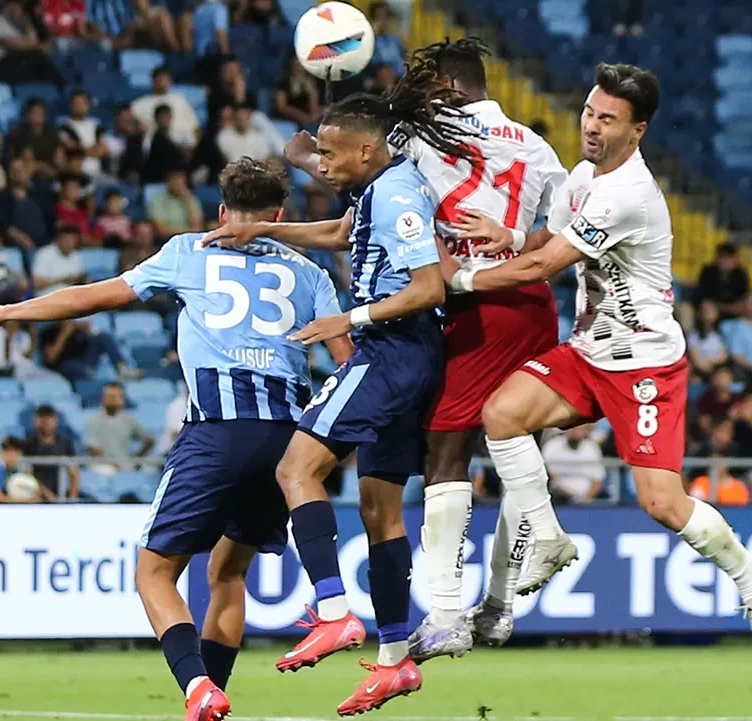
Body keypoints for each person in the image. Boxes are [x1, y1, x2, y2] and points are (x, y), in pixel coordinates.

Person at [0, 158, 352, 721]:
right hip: (289, 444)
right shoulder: (311, 275)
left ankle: (197, 687)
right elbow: (345, 362)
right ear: (278, 216)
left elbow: (94, 296)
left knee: (154, 573)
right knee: (228, 572)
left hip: (216, 432)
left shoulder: (189, 251)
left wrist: (10, 311)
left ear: (221, 213)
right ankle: (215, 693)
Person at [437, 63, 752, 663]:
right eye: (589, 113)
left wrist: (458, 277)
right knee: (502, 415)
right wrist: (513, 236)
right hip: (588, 351)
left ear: (638, 130)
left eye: (608, 119)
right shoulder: (582, 175)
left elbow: (546, 270)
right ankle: (545, 541)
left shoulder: (628, 194)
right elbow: (549, 244)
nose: (592, 127)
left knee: (663, 503)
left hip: (644, 364)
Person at [285, 38, 567, 660]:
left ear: (443, 87)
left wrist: (311, 152)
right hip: (532, 305)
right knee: (517, 455)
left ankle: (446, 613)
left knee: (447, 450)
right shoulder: (538, 147)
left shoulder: (421, 137)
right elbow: (561, 229)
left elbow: (356, 168)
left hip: (468, 309)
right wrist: (514, 241)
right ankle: (496, 606)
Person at [201, 61, 470, 711]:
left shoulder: (400, 194)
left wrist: (345, 319)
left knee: (298, 467)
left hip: (392, 351)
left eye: (329, 151)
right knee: (380, 510)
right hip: (406, 357)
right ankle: (395, 657)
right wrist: (261, 229)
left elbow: (428, 287)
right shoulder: (377, 191)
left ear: (367, 149)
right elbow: (337, 234)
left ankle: (333, 609)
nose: (321, 162)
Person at [84, 381, 156, 473]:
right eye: (108, 396)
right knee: (105, 470)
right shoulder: (93, 421)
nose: (111, 399)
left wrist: (136, 458)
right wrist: (114, 465)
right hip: (103, 465)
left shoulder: (129, 420)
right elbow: (95, 451)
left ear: (122, 399)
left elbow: (150, 440)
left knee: (150, 470)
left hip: (125, 464)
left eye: (115, 397)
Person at [131, 67, 200, 150]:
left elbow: (195, 127)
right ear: (153, 80)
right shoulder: (139, 105)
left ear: (170, 80)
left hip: (184, 144)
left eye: (165, 78)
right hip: (156, 147)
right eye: (159, 78)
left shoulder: (181, 100)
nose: (162, 81)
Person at [23, 404, 81, 499]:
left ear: (55, 420)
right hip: (37, 496)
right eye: (42, 418)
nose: (46, 422)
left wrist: (72, 498)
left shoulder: (65, 444)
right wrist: (47, 494)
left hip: (62, 493)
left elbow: (74, 473)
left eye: (49, 418)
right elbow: (29, 475)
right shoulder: (29, 444)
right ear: (36, 420)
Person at [542, 423, 606, 504]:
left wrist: (585, 499)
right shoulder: (552, 446)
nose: (577, 432)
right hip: (559, 497)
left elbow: (598, 479)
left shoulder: (592, 447)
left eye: (581, 429)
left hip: (588, 499)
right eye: (574, 429)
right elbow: (554, 478)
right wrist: (574, 498)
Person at [693, 243, 750, 317]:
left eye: (728, 258)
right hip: (713, 307)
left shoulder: (740, 274)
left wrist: (735, 306)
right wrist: (724, 307)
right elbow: (703, 296)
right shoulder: (708, 272)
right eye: (722, 257)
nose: (725, 261)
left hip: (734, 308)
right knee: (708, 308)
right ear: (716, 258)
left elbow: (744, 294)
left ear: (735, 259)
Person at [33, 226, 88, 295]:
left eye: (72, 241)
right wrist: (63, 280)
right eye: (67, 240)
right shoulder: (44, 254)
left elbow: (81, 279)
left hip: (71, 298)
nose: (69, 244)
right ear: (58, 239)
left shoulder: (76, 256)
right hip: (47, 297)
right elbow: (37, 284)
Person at [148, 168, 203, 237]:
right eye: (175, 180)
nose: (179, 183)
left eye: (182, 180)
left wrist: (188, 200)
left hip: (189, 238)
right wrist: (189, 232)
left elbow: (197, 227)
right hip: (168, 239)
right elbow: (162, 230)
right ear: (168, 181)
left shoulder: (191, 198)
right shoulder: (158, 199)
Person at [686, 299, 728, 382]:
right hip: (699, 374)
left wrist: (708, 360)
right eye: (705, 311)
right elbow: (698, 362)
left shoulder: (721, 333)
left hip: (718, 371)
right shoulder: (693, 335)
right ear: (699, 314)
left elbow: (723, 357)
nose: (708, 313)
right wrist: (714, 360)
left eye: (711, 310)